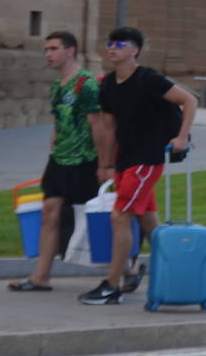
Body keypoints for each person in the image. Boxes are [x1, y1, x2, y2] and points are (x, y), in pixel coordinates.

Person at [80, 26, 197, 305]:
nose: (112, 48)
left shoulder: (149, 80)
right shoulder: (107, 85)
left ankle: (112, 285)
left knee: (120, 216)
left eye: (120, 44)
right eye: (110, 43)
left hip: (148, 159)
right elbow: (108, 127)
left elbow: (190, 101)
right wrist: (105, 164)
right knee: (148, 220)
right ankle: (170, 272)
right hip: (125, 159)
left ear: (134, 50)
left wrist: (181, 137)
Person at [8, 31, 103, 292]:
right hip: (59, 161)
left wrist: (105, 165)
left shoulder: (87, 83)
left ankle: (126, 270)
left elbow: (98, 125)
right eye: (46, 50)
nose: (48, 54)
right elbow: (58, 123)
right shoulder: (56, 85)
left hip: (85, 161)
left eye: (53, 48)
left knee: (95, 219)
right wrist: (52, 152)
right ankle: (41, 277)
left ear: (70, 51)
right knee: (50, 213)